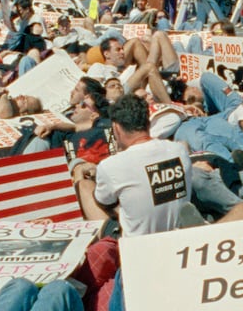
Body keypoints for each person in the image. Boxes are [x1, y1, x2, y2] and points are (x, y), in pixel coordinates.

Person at [73, 94, 193, 236]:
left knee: (84, 185)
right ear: (148, 122)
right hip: (176, 235)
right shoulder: (178, 150)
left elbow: (104, 203)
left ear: (116, 128)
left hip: (135, 245)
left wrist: (80, 174)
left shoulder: (111, 165)